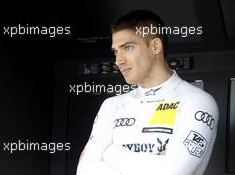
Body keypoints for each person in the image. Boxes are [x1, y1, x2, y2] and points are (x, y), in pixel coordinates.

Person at [76, 9, 219, 175]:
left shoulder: (198, 101)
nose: (118, 60)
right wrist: (156, 160)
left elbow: (172, 172)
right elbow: (85, 171)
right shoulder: (111, 105)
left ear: (155, 46)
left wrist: (112, 153)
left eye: (127, 47)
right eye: (116, 51)